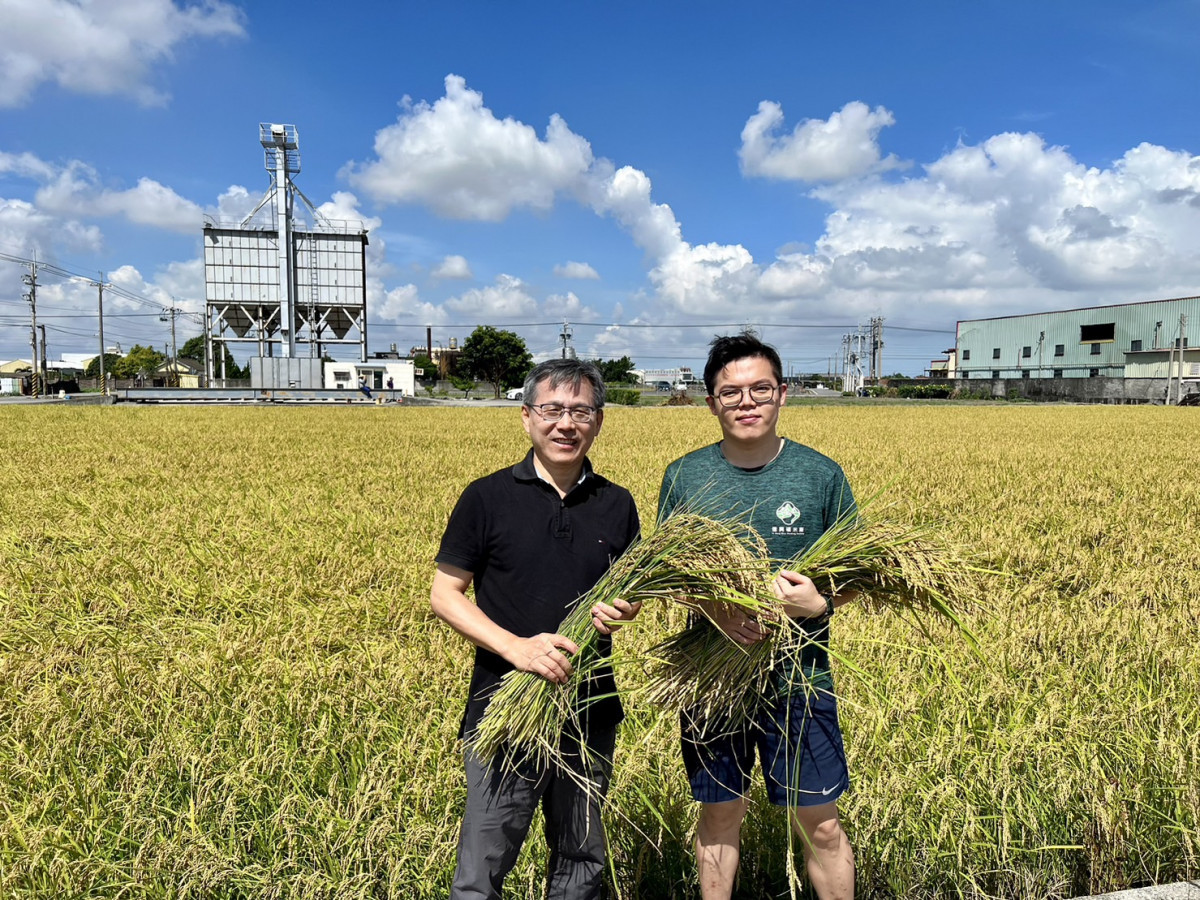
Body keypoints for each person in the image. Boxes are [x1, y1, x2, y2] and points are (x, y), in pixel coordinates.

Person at [431, 358, 642, 900]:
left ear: (599, 421)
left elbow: (631, 593)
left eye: (580, 411)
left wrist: (625, 610)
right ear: (526, 417)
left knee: (581, 860)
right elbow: (444, 595)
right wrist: (517, 649)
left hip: (590, 708)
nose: (565, 423)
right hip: (503, 710)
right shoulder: (487, 497)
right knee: (485, 865)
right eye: (551, 410)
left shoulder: (617, 504)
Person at [657, 333, 858, 900]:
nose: (746, 402)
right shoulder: (685, 477)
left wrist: (821, 603)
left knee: (820, 822)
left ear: (782, 395)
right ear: (711, 402)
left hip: (802, 678)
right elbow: (668, 574)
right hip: (710, 680)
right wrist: (716, 610)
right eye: (731, 392)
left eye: (760, 390)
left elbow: (856, 572)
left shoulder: (821, 475)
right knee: (720, 816)